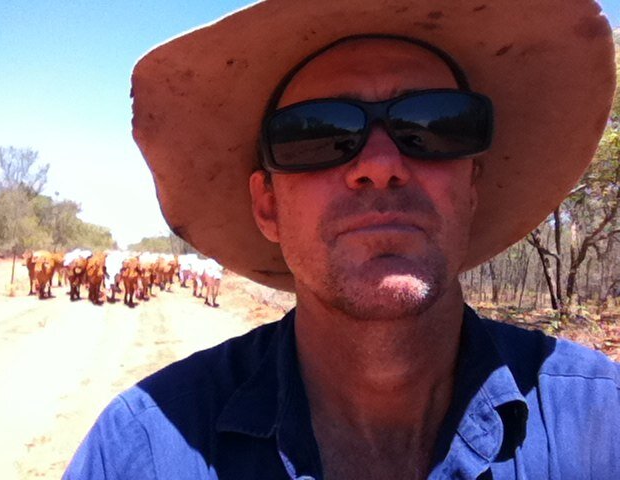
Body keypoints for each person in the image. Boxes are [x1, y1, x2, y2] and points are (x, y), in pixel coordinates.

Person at [64, 0, 619, 478]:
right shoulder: (139, 452)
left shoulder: (604, 427)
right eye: (321, 135)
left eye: (433, 125)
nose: (380, 164)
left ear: (472, 184)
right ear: (268, 206)